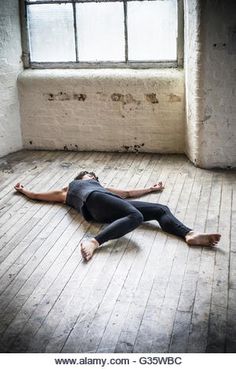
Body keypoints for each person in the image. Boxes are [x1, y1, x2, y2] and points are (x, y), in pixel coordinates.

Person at [14, 170, 221, 261]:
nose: (94, 176)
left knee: (161, 209)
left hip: (107, 208)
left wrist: (150, 188)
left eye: (95, 176)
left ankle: (189, 234)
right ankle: (94, 241)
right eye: (90, 175)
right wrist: (25, 191)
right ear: (81, 178)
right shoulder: (70, 188)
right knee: (137, 217)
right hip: (93, 201)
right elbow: (40, 195)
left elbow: (128, 193)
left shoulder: (100, 186)